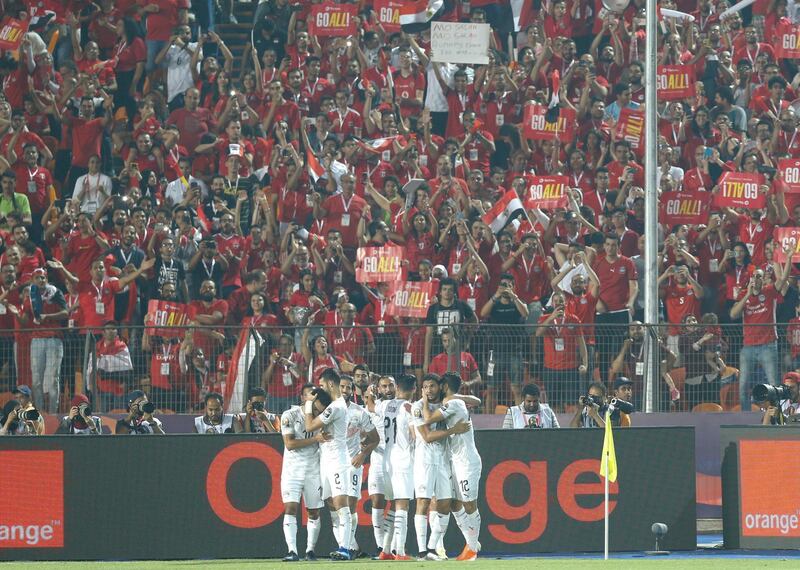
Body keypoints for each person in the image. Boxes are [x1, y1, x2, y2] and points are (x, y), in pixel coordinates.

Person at [420, 373, 482, 561]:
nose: (433, 390)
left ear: (444, 385)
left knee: (470, 504)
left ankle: (471, 549)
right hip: (456, 460)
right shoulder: (455, 401)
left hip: (467, 461)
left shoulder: (453, 404)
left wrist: (423, 399)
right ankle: (472, 543)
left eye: (437, 385)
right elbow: (477, 400)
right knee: (456, 504)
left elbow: (428, 418)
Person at [302, 367, 354, 560]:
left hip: (337, 461)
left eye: (322, 384)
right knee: (332, 504)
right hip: (327, 461)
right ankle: (343, 545)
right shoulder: (334, 405)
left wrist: (308, 404)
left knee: (342, 504)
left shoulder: (337, 407)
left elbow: (309, 426)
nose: (320, 389)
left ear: (331, 383)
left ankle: (346, 548)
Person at [281, 383, 328, 562]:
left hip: (313, 470)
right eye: (310, 395)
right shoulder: (289, 415)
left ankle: (310, 550)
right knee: (290, 508)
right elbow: (290, 444)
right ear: (303, 397)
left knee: (313, 511)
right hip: (292, 470)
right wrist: (316, 438)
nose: (313, 401)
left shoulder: (322, 417)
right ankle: (292, 550)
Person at [339, 375, 379, 558]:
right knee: (336, 506)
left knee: (351, 506)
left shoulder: (359, 412)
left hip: (353, 464)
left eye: (348, 387)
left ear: (353, 390)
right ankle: (348, 546)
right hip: (334, 464)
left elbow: (375, 439)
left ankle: (346, 547)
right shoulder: (329, 410)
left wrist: (362, 454)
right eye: (342, 386)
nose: (345, 390)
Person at [480, 273, 529, 410]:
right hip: (495, 352)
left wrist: (514, 296)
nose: (505, 288)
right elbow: (483, 313)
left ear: (513, 287)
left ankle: (520, 418)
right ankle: (488, 419)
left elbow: (525, 313)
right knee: (491, 389)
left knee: (517, 388)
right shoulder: (494, 304)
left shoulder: (517, 303)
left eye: (508, 285)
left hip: (514, 351)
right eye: (503, 285)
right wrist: (496, 295)